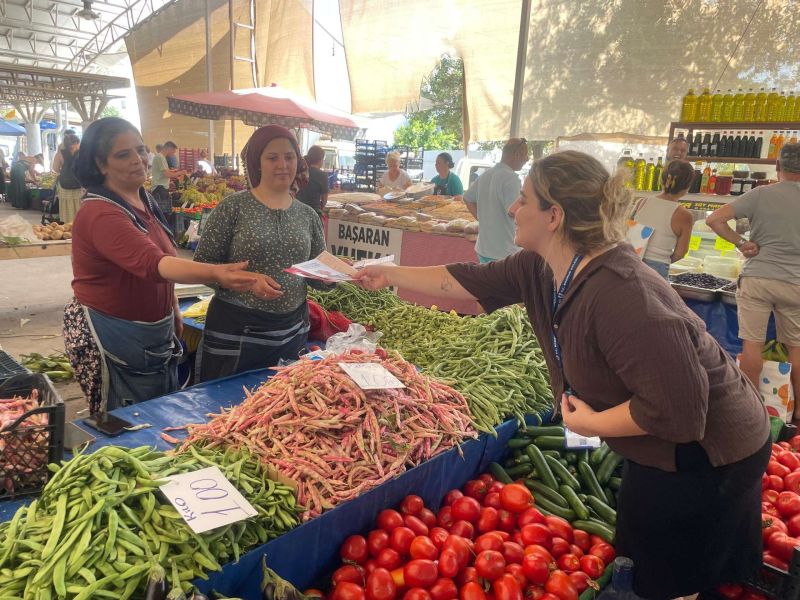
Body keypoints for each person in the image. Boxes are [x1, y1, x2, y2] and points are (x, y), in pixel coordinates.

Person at [357, 150, 770, 599]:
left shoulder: (622, 295)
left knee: (672, 576)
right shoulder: (543, 265)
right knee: (642, 548)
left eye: (524, 199)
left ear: (554, 215)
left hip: (710, 452)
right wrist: (388, 273)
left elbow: (681, 410)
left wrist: (588, 424)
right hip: (663, 444)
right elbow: (469, 282)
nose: (513, 209)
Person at [65, 117, 275, 414]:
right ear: (101, 164)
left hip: (152, 331)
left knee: (156, 410)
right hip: (113, 332)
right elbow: (154, 262)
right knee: (126, 418)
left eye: (141, 150)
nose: (138, 160)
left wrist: (172, 305)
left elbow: (160, 257)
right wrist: (216, 273)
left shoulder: (142, 198)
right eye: (123, 154)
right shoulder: (100, 213)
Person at [193, 125, 332, 382]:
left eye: (289, 157)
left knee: (282, 410)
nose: (283, 165)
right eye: (272, 157)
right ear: (257, 162)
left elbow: (314, 273)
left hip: (291, 333)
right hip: (237, 333)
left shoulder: (308, 215)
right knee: (227, 412)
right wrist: (246, 280)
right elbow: (203, 265)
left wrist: (334, 276)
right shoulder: (232, 208)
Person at [706, 142, 800, 418]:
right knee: (797, 346)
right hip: (796, 283)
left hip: (758, 278)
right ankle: (797, 415)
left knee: (752, 345)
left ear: (778, 166)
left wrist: (742, 243)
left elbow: (714, 220)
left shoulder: (761, 194)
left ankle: (750, 411)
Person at [464, 138, 528, 263]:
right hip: (504, 251)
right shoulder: (511, 178)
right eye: (525, 155)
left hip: (484, 248)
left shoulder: (487, 174)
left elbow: (467, 198)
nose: (527, 159)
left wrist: (482, 218)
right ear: (517, 154)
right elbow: (514, 212)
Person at [629, 160, 695, 279]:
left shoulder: (642, 202)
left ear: (661, 180)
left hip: (632, 261)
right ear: (687, 187)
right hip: (658, 267)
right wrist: (663, 260)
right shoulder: (684, 215)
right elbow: (681, 252)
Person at [150, 141, 186, 219]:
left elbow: (165, 172)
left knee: (164, 213)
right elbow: (167, 174)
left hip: (161, 188)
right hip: (159, 189)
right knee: (163, 215)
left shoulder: (162, 157)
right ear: (169, 148)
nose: (173, 154)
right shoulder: (160, 157)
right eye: (173, 151)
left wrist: (175, 174)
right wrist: (180, 172)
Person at [55, 133, 83, 223]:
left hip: (64, 185)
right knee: (79, 207)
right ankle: (80, 227)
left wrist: (63, 172)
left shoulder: (60, 153)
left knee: (66, 208)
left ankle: (68, 228)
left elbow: (55, 168)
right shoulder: (82, 153)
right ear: (77, 142)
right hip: (79, 185)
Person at [295, 145, 329, 217]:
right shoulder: (323, 175)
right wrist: (321, 207)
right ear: (320, 159)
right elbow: (324, 199)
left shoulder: (301, 172)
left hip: (298, 211)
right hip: (314, 213)